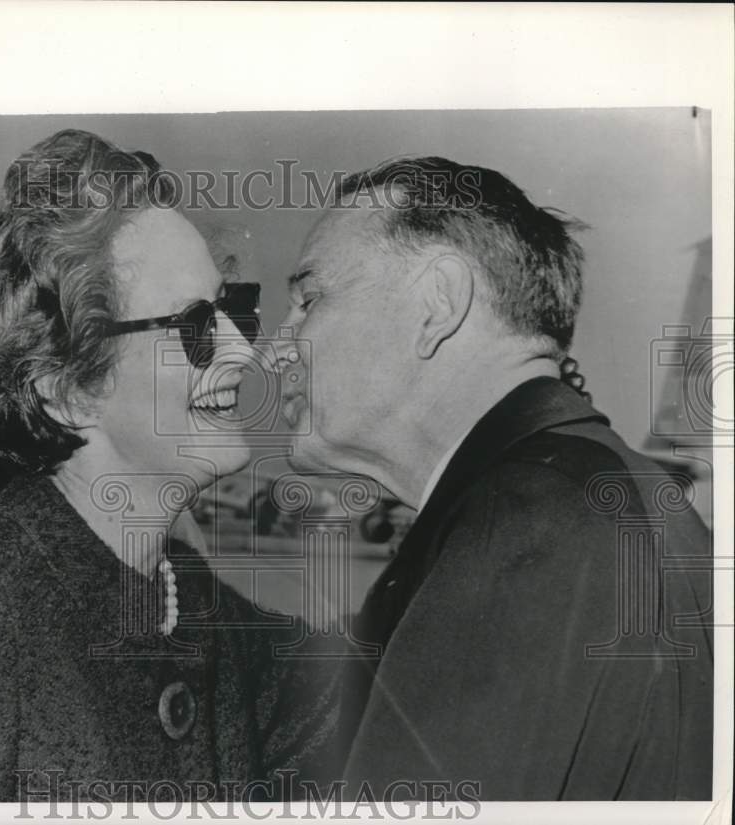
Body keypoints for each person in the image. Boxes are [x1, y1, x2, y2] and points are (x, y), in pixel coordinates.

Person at [0, 130, 338, 802]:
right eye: (197, 326)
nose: (242, 354)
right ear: (69, 388)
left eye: (235, 312)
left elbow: (383, 693)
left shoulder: (195, 602)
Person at [267, 156, 713, 800]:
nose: (278, 344)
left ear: (436, 304)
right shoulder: (586, 492)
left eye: (310, 299)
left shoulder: (531, 520)